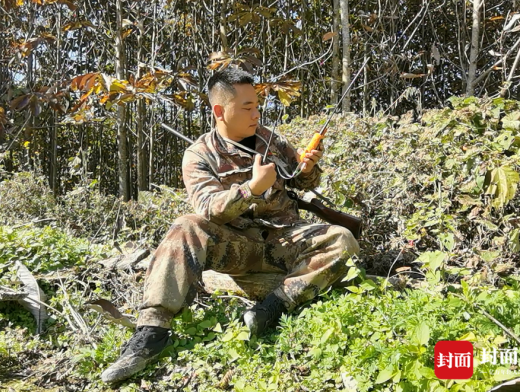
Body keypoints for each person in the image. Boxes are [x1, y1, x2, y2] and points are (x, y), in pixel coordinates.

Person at [101, 67, 360, 384]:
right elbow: (208, 209)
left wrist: (309, 167)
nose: (256, 113)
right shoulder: (199, 155)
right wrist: (250, 190)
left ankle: (270, 310)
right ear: (220, 111)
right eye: (247, 107)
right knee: (186, 225)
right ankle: (151, 332)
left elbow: (301, 181)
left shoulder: (271, 141)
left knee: (342, 239)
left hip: (285, 241)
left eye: (257, 105)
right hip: (237, 247)